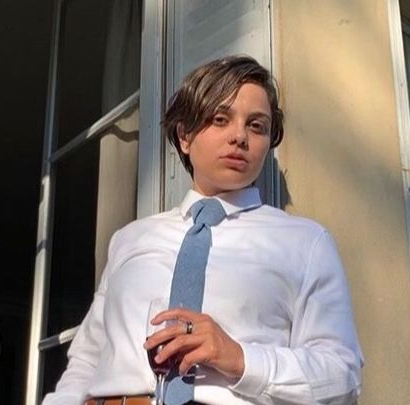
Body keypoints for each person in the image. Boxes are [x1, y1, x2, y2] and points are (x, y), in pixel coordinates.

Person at [42, 55, 363, 405]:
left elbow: (342, 376)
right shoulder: (130, 239)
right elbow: (87, 360)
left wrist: (240, 357)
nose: (239, 136)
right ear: (184, 136)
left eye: (257, 126)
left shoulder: (306, 243)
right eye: (220, 119)